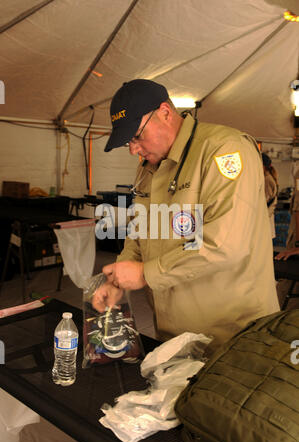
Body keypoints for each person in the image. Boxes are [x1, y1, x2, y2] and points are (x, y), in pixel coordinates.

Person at [92, 79, 279, 348]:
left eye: (136, 136)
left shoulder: (224, 150)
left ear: (165, 113)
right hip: (172, 331)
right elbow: (140, 228)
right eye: (127, 143)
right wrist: (118, 278)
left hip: (230, 334)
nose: (134, 149)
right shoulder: (148, 166)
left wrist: (145, 274)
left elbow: (224, 245)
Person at [262, 153, 278, 239]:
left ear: (263, 166)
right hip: (266, 219)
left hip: (265, 219)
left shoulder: (267, 180)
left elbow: (264, 202)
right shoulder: (267, 178)